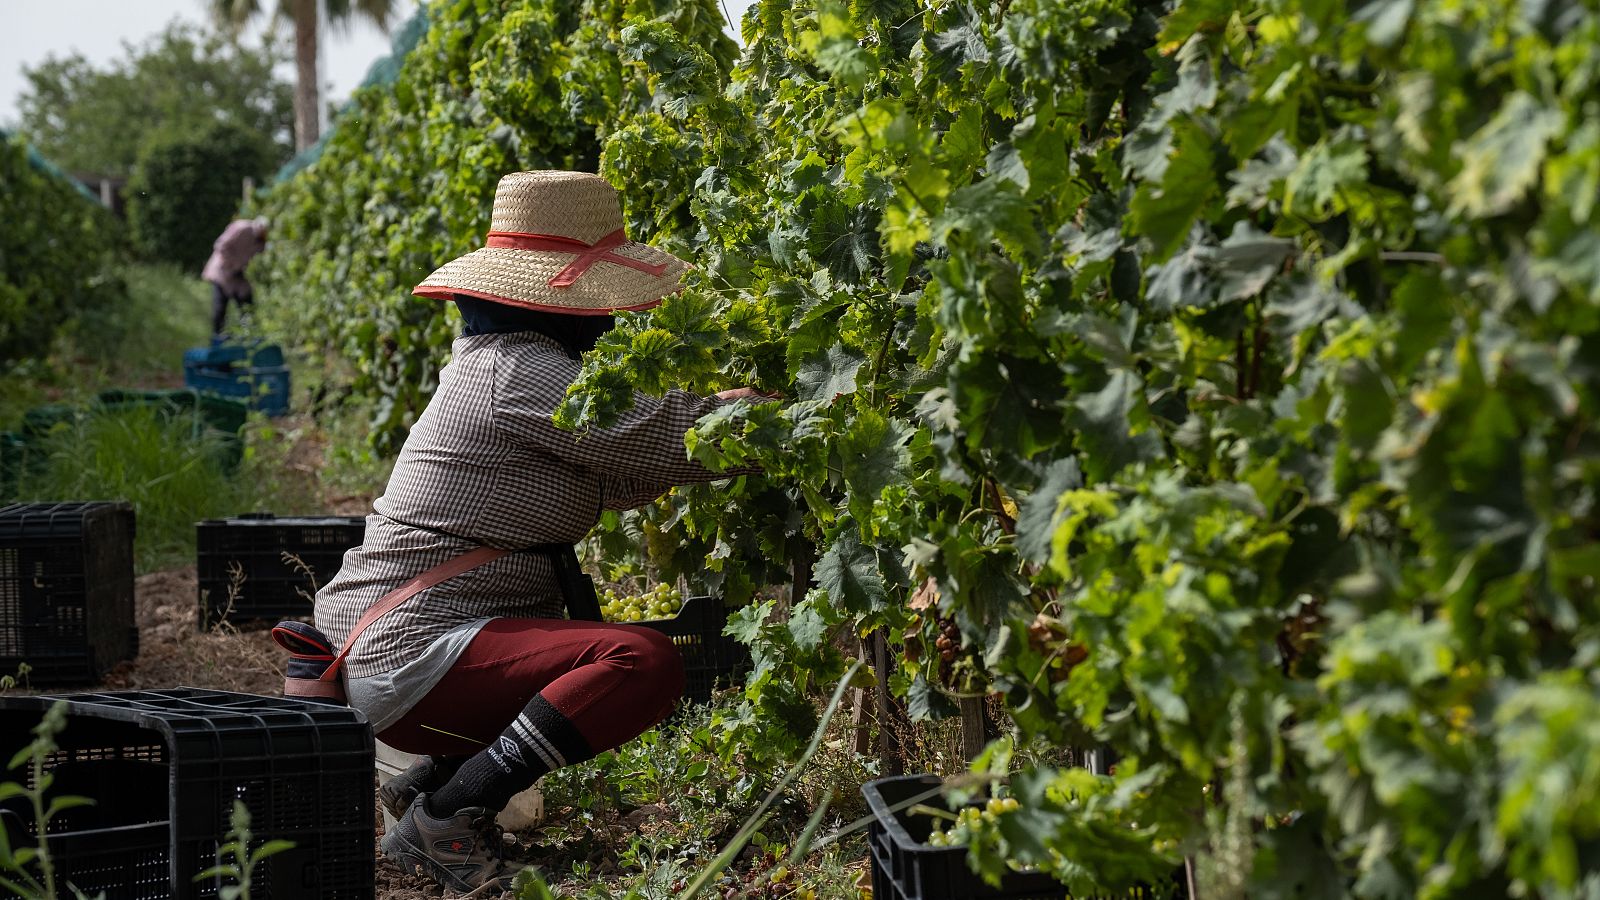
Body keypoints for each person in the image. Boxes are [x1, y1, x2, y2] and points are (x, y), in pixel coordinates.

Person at [313, 171, 766, 892]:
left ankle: (428, 788)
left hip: (399, 642)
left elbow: (617, 472)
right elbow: (666, 437)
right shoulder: (523, 374)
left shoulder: (498, 365)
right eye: (599, 301)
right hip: (412, 653)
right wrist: (785, 415)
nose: (609, 320)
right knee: (640, 662)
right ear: (559, 302)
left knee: (592, 654)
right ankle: (448, 817)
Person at [201, 216, 269, 335]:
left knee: (247, 309)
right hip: (223, 272)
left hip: (241, 276)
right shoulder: (241, 228)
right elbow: (220, 246)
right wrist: (235, 264)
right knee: (220, 309)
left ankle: (249, 336)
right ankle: (217, 339)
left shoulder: (262, 241)